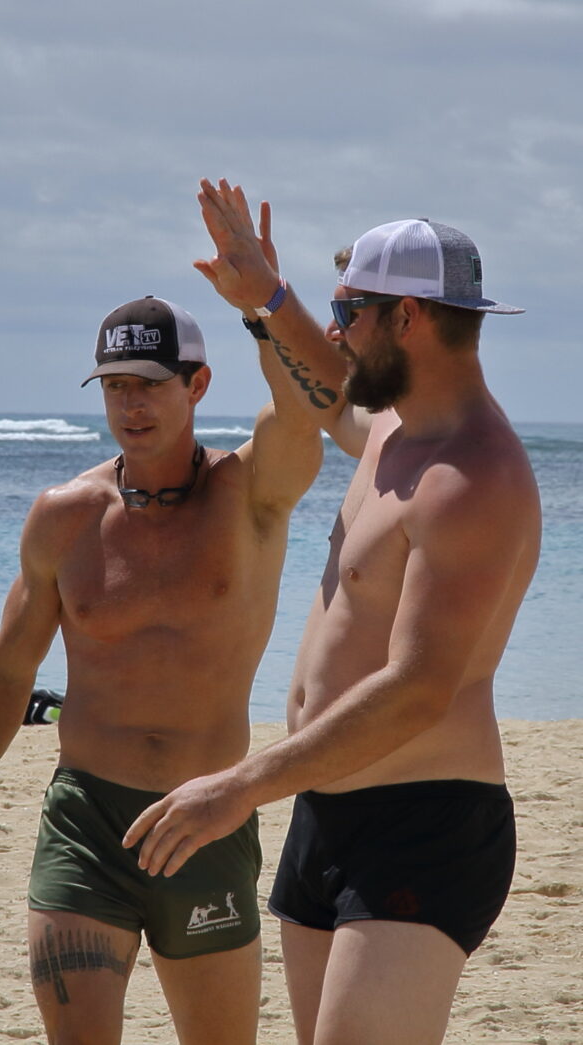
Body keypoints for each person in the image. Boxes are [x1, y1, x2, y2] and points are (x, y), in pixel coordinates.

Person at [123, 182, 542, 1045]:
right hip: (328, 809)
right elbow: (329, 395)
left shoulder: (472, 479)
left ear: (409, 319)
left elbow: (419, 689)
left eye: (351, 308)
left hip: (423, 821)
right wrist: (264, 302)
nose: (339, 325)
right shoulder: (398, 430)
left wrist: (241, 785)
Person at [0, 293, 322, 1045]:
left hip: (206, 816)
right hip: (86, 822)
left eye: (148, 384)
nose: (129, 405)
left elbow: (302, 412)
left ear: (196, 385)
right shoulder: (65, 516)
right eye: (114, 386)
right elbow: (9, 672)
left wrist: (263, 305)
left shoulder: (251, 497)